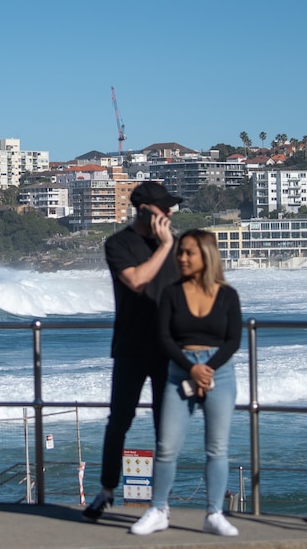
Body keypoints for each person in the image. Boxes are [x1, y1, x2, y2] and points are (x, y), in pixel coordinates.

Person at [129, 229, 242, 537]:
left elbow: (233, 340)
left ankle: (214, 513)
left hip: (220, 372)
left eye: (188, 252)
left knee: (217, 448)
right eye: (180, 252)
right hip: (179, 372)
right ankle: (158, 509)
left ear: (206, 256)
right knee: (166, 447)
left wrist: (207, 369)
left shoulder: (227, 294)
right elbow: (164, 338)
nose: (182, 257)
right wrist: (191, 369)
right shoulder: (171, 292)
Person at [83, 181, 182, 522]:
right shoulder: (118, 244)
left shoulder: (175, 244)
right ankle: (107, 489)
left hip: (168, 347)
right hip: (130, 346)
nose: (170, 213)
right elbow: (138, 280)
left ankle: (161, 501)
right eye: (163, 207)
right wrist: (165, 245)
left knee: (164, 425)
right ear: (143, 210)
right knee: (119, 421)